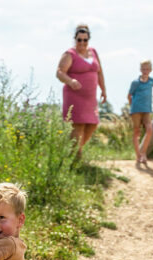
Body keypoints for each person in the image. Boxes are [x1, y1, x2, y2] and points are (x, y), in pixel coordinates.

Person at [56, 24, 107, 160]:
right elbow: (60, 72)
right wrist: (70, 81)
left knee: (93, 124)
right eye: (79, 40)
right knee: (78, 126)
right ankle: (74, 158)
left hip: (90, 98)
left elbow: (99, 72)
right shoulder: (69, 54)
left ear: (88, 40)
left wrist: (103, 89)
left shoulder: (93, 52)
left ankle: (70, 153)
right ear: (75, 39)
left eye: (85, 40)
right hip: (74, 95)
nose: (82, 43)